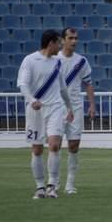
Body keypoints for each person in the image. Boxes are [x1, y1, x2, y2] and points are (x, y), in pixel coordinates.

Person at [17, 30, 74, 200]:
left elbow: (63, 88)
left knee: (54, 145)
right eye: (59, 43)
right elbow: (23, 84)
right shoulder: (30, 60)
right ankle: (39, 186)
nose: (61, 46)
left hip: (55, 108)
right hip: (35, 110)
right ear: (51, 43)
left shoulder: (57, 63)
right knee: (37, 149)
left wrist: (69, 107)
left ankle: (52, 185)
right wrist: (31, 100)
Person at [58, 27, 95, 195]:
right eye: (70, 38)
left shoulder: (81, 61)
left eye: (76, 38)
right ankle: (54, 182)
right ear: (62, 40)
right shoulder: (54, 60)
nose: (74, 41)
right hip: (57, 106)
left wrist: (92, 105)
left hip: (75, 106)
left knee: (74, 145)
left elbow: (88, 84)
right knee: (55, 144)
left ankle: (70, 184)